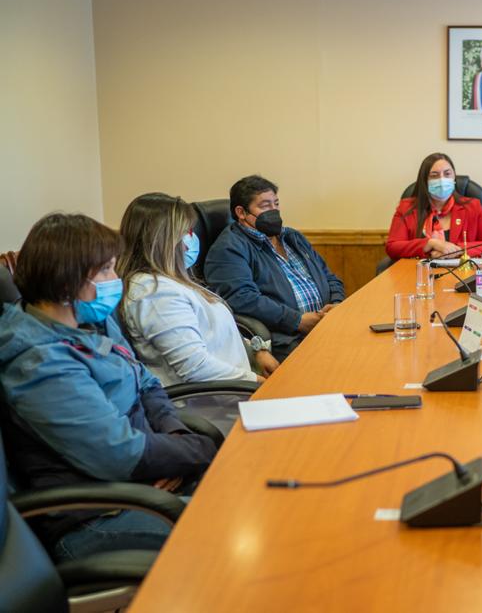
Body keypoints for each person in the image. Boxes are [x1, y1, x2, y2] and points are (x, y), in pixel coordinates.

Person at [0, 213, 216, 560]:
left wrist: (176, 439)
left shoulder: (90, 321)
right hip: (97, 513)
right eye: (106, 270)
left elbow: (146, 382)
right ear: (69, 283)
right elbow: (119, 454)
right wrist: (202, 449)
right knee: (231, 529)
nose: (116, 279)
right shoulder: (38, 362)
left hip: (145, 482)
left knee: (255, 492)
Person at [118, 193, 278, 386]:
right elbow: (195, 368)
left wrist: (255, 350)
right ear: (163, 240)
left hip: (234, 385)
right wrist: (258, 382)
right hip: (211, 402)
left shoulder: (172, 281)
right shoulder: (155, 293)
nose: (189, 242)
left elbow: (214, 335)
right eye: (186, 232)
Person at [204, 175, 345, 362]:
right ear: (241, 212)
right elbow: (241, 299)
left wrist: (336, 305)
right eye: (265, 206)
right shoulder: (229, 248)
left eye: (276, 204)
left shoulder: (292, 237)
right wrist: (297, 321)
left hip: (326, 327)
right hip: (286, 339)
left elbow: (329, 277)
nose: (274, 211)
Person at [385, 153, 482, 260]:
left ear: (454, 178)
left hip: (462, 275)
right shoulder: (407, 207)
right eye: (434, 175)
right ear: (424, 181)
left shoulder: (472, 206)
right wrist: (430, 244)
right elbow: (392, 247)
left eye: (447, 174)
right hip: (417, 275)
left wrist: (457, 250)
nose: (442, 180)